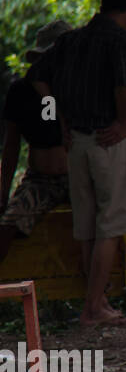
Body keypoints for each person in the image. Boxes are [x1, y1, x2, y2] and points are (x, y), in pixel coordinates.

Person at [31, 0, 126, 328]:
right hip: (107, 141)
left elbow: (36, 77)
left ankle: (96, 302)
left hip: (75, 144)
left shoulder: (70, 40)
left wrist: (59, 120)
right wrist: (123, 123)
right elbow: (122, 86)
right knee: (110, 223)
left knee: (87, 225)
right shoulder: (121, 40)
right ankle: (94, 306)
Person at [0, 20, 74, 266]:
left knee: (104, 220)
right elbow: (11, 146)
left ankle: (101, 289)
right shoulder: (21, 91)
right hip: (40, 179)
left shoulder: (78, 87)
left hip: (79, 174)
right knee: (8, 225)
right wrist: (3, 192)